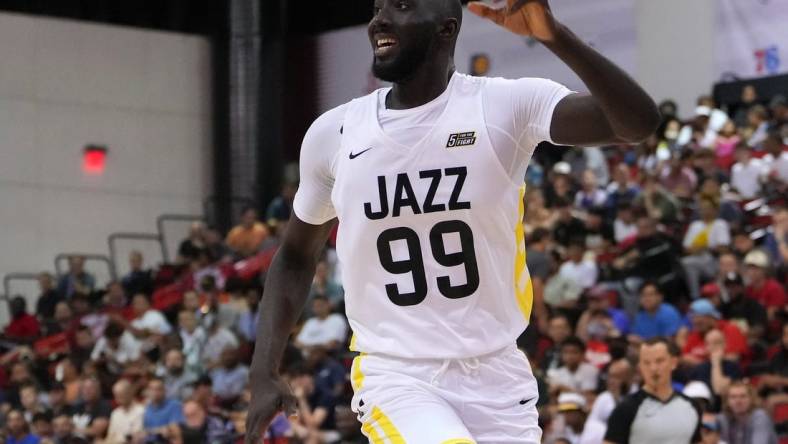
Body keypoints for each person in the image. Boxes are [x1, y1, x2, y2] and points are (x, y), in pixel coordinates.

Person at [245, 0, 660, 441]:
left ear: (446, 27)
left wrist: (553, 34)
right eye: (376, 7)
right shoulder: (335, 133)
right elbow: (293, 254)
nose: (379, 20)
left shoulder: (503, 106)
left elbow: (638, 123)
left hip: (500, 376)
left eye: (400, 6)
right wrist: (263, 369)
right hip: (398, 376)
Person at [604, 337, 701, 444]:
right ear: (640, 367)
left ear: (673, 363)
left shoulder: (691, 407)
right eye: (646, 363)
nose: (653, 368)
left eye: (659, 361)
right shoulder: (625, 409)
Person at [742, 249, 786, 322]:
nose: (752, 272)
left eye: (756, 269)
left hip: (773, 328)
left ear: (764, 270)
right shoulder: (748, 289)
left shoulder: (774, 288)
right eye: (749, 268)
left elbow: (773, 315)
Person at [105, 380, 144, 444]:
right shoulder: (115, 413)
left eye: (121, 394)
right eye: (116, 395)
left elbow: (135, 437)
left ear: (130, 393)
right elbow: (110, 437)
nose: (118, 398)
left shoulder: (141, 411)